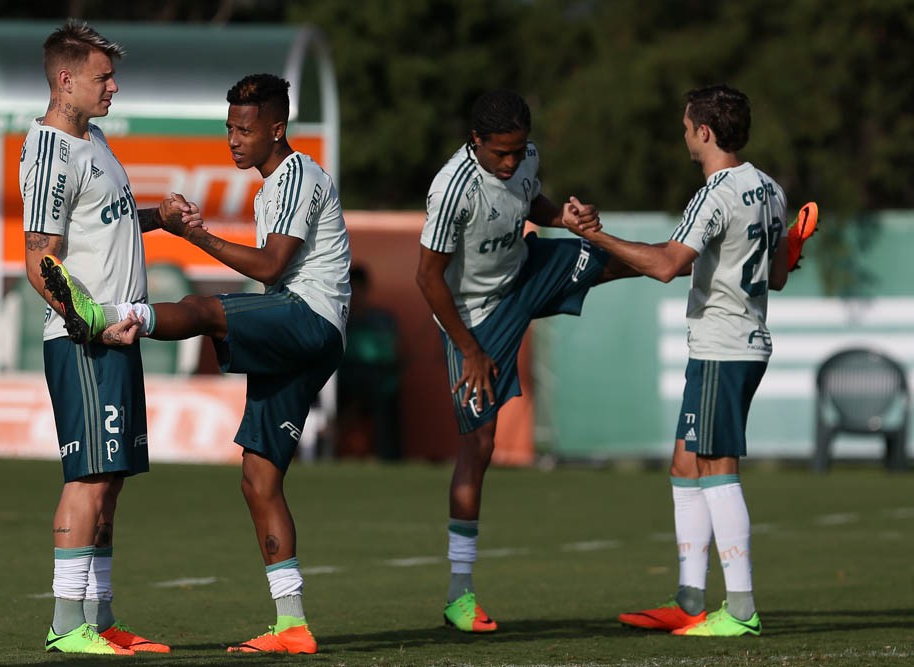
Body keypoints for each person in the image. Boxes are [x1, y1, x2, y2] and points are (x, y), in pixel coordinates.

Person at [40, 73, 351, 655]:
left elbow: (269, 267)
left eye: (245, 129)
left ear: (276, 130)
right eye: (229, 128)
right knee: (259, 480)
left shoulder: (298, 175)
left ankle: (115, 313)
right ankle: (293, 625)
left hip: (309, 318)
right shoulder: (270, 186)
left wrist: (193, 235)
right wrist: (165, 220)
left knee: (206, 309)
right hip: (296, 333)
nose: (233, 140)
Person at [563, 84, 811, 637]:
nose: (683, 134)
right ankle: (689, 600)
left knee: (718, 469)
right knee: (685, 464)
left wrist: (595, 235)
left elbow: (667, 265)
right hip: (738, 343)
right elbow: (774, 275)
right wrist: (792, 251)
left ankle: (741, 610)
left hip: (722, 347)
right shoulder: (769, 188)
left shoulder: (715, 194)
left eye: (684, 126)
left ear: (704, 131)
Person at [416, 89, 632, 633]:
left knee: (613, 257)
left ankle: (689, 260)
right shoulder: (452, 189)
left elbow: (533, 202)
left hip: (526, 274)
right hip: (475, 318)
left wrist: (565, 215)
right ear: (477, 142)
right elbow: (427, 278)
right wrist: (470, 349)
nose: (511, 162)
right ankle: (459, 596)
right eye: (501, 153)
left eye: (519, 150)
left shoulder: (526, 160)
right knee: (479, 446)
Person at [20, 20, 183, 655]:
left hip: (117, 333)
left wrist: (159, 220)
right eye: (102, 77)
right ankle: (66, 624)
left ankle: (102, 616)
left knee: (110, 477)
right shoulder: (51, 152)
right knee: (87, 477)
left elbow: (104, 226)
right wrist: (92, 322)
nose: (113, 87)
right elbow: (41, 258)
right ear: (66, 81)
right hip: (85, 339)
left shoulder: (95, 140)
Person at [336, 264, 402, 459]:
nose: (355, 296)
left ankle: (389, 456)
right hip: (345, 379)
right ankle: (330, 451)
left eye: (359, 290)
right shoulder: (339, 319)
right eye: (351, 290)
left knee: (384, 395)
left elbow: (394, 354)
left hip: (378, 379)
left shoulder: (383, 320)